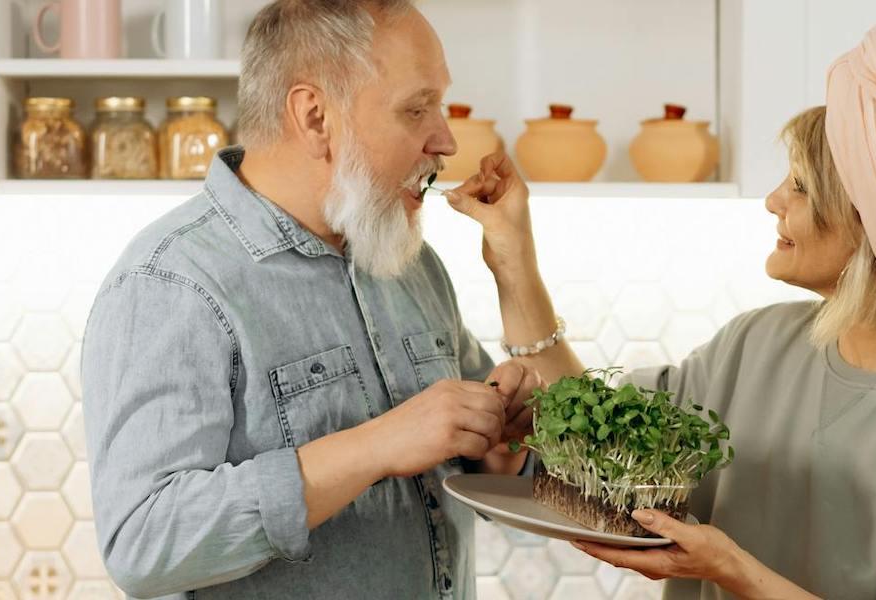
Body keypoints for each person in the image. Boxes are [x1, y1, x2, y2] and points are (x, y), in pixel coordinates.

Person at [447, 18, 876, 599]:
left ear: (872, 224)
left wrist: (732, 569)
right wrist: (513, 258)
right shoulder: (758, 344)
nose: (772, 200)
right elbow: (605, 442)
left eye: (801, 186)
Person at [81, 2, 538, 598]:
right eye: (417, 109)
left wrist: (498, 450)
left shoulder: (408, 261)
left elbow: (480, 461)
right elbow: (142, 545)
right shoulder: (170, 282)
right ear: (316, 117)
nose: (446, 140)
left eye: (440, 106)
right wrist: (376, 445)